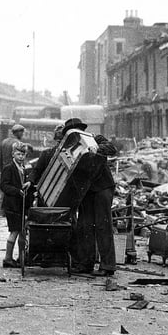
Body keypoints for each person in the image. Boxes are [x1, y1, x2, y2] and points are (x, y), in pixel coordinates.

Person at [62, 117, 118, 276]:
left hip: (102, 188)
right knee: (84, 226)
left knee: (103, 225)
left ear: (81, 131)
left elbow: (111, 148)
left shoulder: (96, 139)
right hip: (85, 191)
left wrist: (97, 149)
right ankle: (85, 264)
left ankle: (107, 267)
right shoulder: (69, 149)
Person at [0, 141, 31, 268]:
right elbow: (4, 185)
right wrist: (17, 191)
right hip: (12, 205)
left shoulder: (24, 168)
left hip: (21, 205)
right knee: (15, 231)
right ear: (13, 154)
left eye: (23, 154)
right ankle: (7, 258)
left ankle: (20, 257)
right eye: (18, 154)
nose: (21, 157)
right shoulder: (9, 168)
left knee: (22, 231)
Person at [30, 123, 65, 206]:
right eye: (59, 141)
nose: (60, 144)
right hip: (47, 191)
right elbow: (37, 170)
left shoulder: (71, 156)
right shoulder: (46, 153)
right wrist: (29, 181)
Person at [0, 124, 27, 206]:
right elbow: (20, 159)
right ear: (18, 133)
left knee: (4, 188)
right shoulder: (18, 144)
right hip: (13, 169)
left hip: (4, 168)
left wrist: (1, 170)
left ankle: (1, 210)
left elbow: (0, 158)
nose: (22, 135)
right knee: (13, 191)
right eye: (22, 133)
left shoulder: (4, 141)